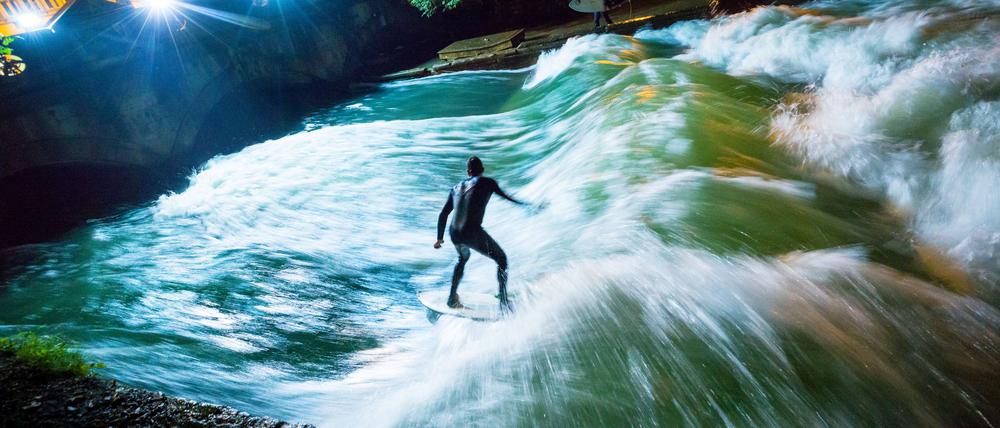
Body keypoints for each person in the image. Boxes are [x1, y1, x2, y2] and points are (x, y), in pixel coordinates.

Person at [434, 156, 533, 314]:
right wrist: (527, 205)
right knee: (502, 259)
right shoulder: (487, 182)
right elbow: (508, 198)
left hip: (454, 233)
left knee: (463, 258)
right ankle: (503, 302)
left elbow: (443, 214)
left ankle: (452, 298)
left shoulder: (455, 188)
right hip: (471, 232)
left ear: (468, 172)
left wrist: (439, 238)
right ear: (482, 170)